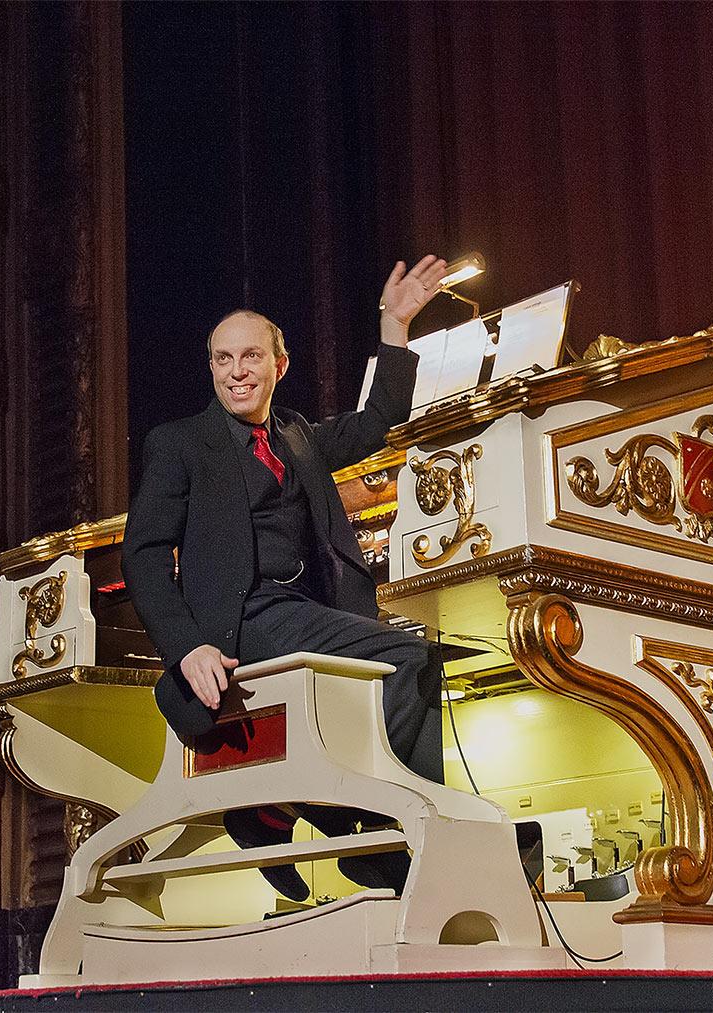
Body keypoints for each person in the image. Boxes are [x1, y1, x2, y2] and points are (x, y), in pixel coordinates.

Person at [121, 256, 449, 902]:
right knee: (408, 656)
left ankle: (311, 815)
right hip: (242, 618)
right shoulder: (180, 443)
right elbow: (144, 554)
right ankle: (387, 836)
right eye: (222, 359)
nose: (236, 371)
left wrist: (394, 324)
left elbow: (375, 421)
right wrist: (187, 646)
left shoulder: (295, 434)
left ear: (280, 364)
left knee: (420, 660)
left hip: (297, 609)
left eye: (249, 357)